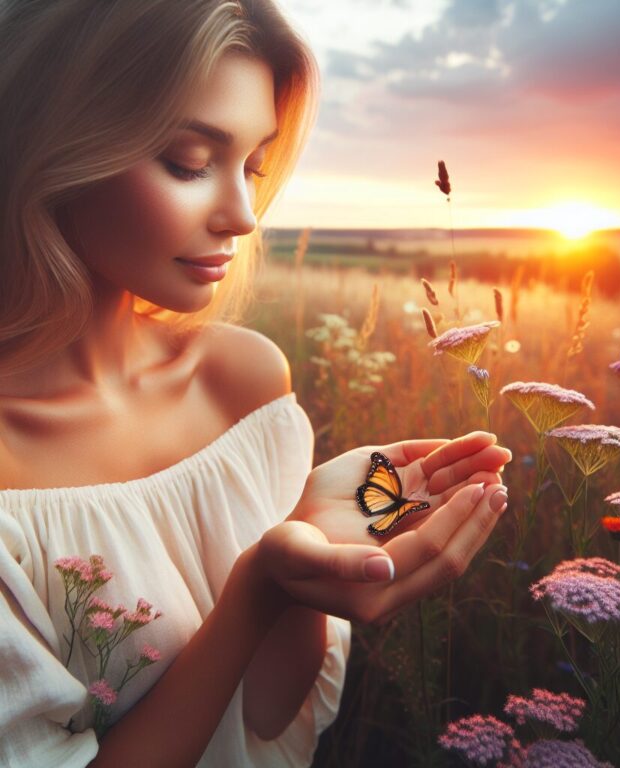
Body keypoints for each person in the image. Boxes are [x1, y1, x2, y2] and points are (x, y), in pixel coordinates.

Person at [0, 1, 511, 766]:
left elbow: (272, 717)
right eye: (188, 162)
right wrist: (260, 587)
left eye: (253, 165)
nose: (241, 215)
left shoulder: (244, 379)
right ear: (53, 144)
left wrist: (303, 542)